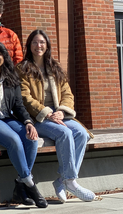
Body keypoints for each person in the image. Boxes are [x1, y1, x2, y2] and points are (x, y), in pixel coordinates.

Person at [16, 29, 96, 203]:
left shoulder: (54, 67)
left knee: (81, 133)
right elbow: (24, 97)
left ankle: (63, 179)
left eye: (42, 42)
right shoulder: (22, 68)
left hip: (59, 115)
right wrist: (47, 112)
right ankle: (70, 181)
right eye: (35, 42)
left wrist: (62, 110)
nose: (39, 46)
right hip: (37, 117)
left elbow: (67, 93)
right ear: (29, 45)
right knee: (65, 133)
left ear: (47, 45)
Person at [0, 41, 48, 208]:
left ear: (4, 56)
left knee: (31, 138)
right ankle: (30, 185)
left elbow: (19, 105)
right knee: (13, 139)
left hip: (8, 118)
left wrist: (28, 122)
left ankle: (20, 186)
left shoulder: (12, 78)